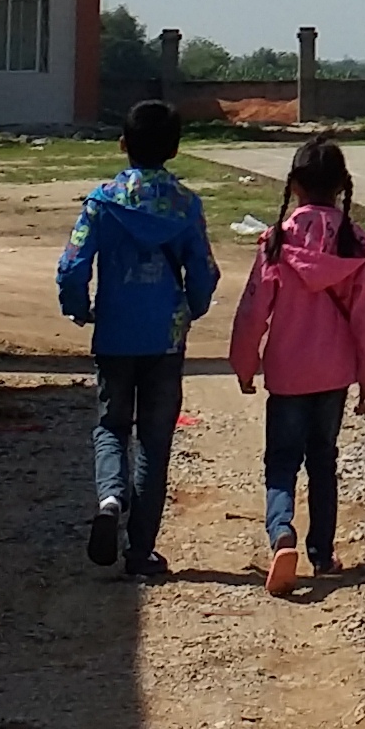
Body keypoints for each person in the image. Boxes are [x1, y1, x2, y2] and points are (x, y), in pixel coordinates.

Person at [54, 99, 218, 578]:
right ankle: (141, 550)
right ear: (175, 148)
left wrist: (80, 309)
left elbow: (72, 265)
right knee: (154, 440)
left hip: (115, 334)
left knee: (110, 426)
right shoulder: (186, 205)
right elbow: (203, 272)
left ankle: (109, 499)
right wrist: (192, 308)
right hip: (165, 338)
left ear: (123, 143)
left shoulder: (102, 202)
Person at [225, 136, 365, 595]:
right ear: (342, 186)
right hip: (334, 375)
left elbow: (254, 310)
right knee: (323, 460)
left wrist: (244, 363)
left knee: (281, 461)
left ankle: (282, 534)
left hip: (287, 373)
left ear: (294, 185)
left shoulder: (277, 240)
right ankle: (322, 551)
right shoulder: (356, 245)